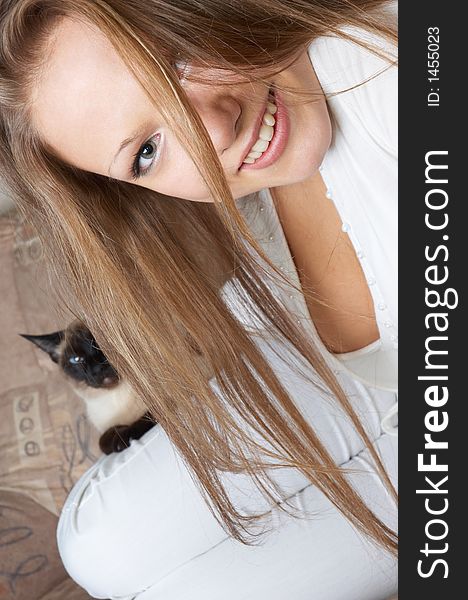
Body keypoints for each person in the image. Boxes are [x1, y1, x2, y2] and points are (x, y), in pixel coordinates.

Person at [0, 0, 398, 598]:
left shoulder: (388, 78)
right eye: (146, 152)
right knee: (97, 546)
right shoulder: (262, 216)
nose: (213, 129)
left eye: (178, 60)